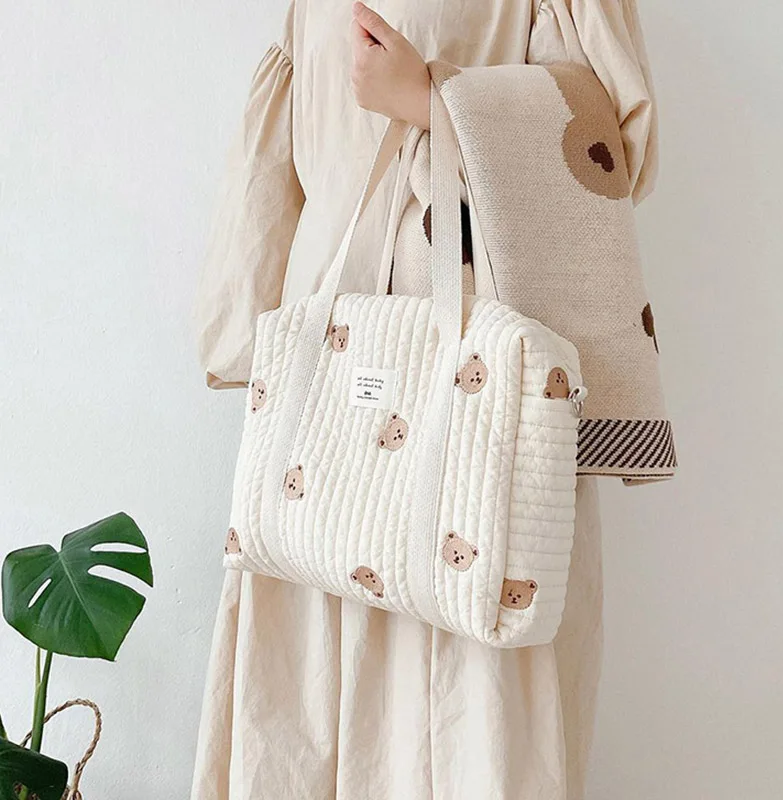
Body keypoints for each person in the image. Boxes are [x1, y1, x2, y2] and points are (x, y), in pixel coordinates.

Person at [192, 2, 658, 798]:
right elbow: (285, 163)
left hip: (477, 411)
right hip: (324, 396)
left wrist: (431, 99)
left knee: (466, 691)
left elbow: (605, 151)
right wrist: (247, 329)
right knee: (304, 697)